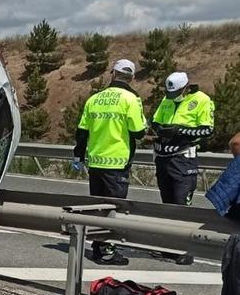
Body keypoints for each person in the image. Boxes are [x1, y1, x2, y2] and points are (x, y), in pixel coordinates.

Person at [73, 59, 147, 265]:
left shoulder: (94, 99)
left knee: (98, 208)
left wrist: (78, 155)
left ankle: (98, 246)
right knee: (113, 208)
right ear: (131, 77)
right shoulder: (131, 99)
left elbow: (82, 131)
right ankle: (107, 251)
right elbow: (139, 132)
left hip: (95, 162)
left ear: (112, 73)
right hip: (117, 163)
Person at [152, 72, 215, 206]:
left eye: (175, 93)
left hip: (183, 160)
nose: (172, 97)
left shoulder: (202, 100)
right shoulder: (167, 99)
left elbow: (207, 130)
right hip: (163, 158)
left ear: (186, 88)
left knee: (181, 205)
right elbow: (155, 121)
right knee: (167, 205)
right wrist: (160, 130)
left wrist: (179, 130)